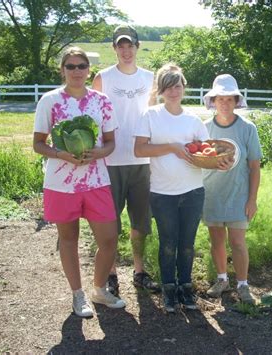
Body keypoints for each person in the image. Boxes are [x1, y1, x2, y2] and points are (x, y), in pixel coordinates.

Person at [33, 47, 126, 318]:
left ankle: (99, 289)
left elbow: (110, 142)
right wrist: (61, 154)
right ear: (63, 70)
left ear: (88, 70)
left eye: (81, 66)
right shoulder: (50, 101)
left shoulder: (102, 101)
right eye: (70, 66)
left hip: (97, 180)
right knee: (68, 239)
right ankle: (78, 295)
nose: (76, 71)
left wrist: (99, 153)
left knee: (109, 239)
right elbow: (38, 144)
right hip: (61, 183)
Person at [134, 63, 209, 313]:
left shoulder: (194, 119)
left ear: (184, 88)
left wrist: (217, 159)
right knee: (168, 243)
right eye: (168, 87)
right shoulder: (151, 115)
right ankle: (168, 290)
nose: (173, 91)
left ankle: (186, 289)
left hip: (193, 191)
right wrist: (172, 147)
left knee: (187, 243)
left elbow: (207, 153)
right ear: (161, 90)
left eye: (177, 86)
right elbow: (139, 149)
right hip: (163, 193)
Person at [92, 24, 159, 295]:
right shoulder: (102, 78)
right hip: (110, 160)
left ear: (137, 47)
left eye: (130, 45)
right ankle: (110, 274)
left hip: (141, 160)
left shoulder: (149, 77)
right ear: (114, 48)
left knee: (140, 221)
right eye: (121, 45)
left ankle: (139, 271)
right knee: (109, 222)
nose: (126, 50)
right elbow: (94, 117)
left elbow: (155, 115)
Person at [202, 74, 262, 305]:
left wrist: (252, 199)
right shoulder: (205, 128)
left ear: (236, 101)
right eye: (220, 99)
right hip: (212, 194)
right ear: (213, 101)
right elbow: (198, 158)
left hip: (238, 195)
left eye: (230, 99)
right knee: (216, 240)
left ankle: (243, 285)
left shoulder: (247, 129)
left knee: (237, 241)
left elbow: (255, 167)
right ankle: (222, 279)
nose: (225, 103)